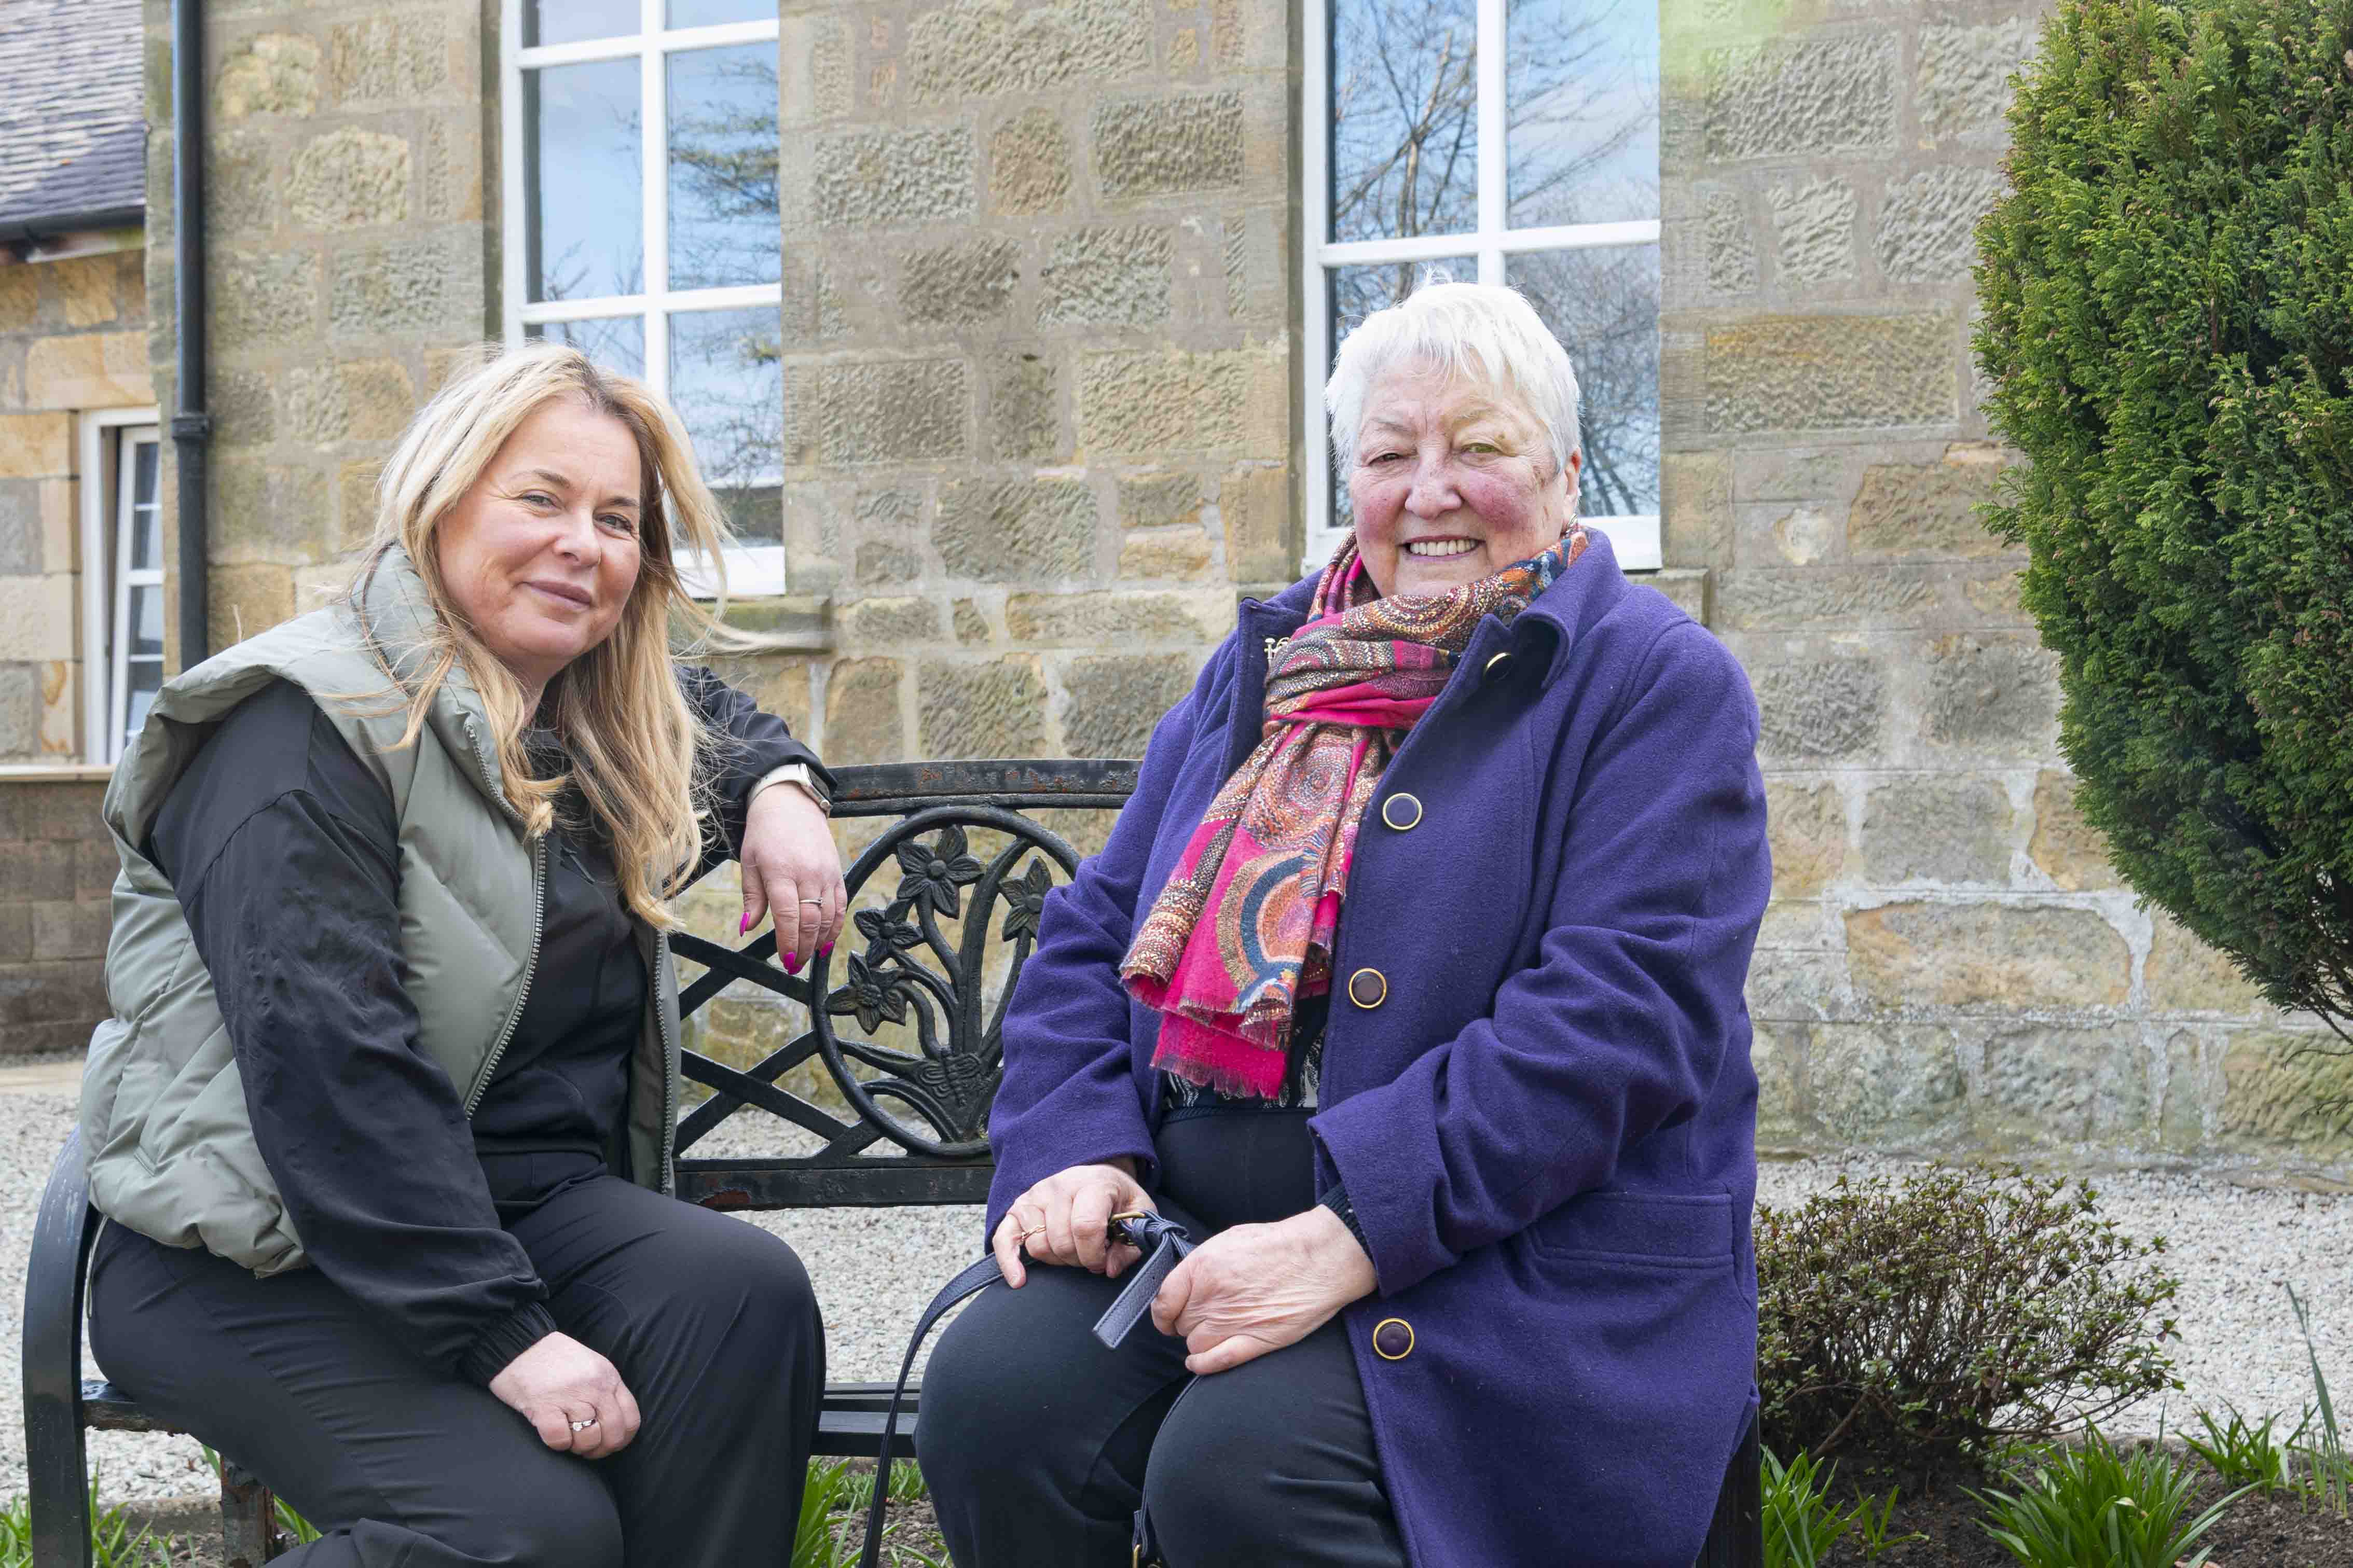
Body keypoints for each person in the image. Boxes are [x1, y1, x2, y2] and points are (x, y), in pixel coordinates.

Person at [916, 282, 1771, 1567]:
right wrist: (1077, 1148)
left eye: (1478, 448)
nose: (1430, 491)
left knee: (1242, 1473)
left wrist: (1350, 1235)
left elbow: (1619, 1022)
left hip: (1507, 1263)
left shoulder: (1655, 681)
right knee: (998, 1402)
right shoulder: (1264, 668)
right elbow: (1092, 935)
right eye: (1388, 455)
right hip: (1188, 1225)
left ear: (1566, 472)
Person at [80, 344, 845, 1568]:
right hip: (258, 1251)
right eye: (539, 499)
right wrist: (507, 1337)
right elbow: (332, 1063)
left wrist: (786, 789)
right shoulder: (296, 727)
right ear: (443, 500)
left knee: (736, 1294)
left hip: (514, 1210)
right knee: (525, 1531)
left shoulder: (583, 722)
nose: (581, 545)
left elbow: (710, 713)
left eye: (617, 520)